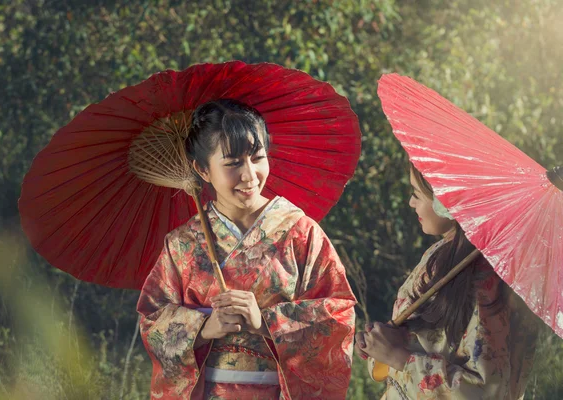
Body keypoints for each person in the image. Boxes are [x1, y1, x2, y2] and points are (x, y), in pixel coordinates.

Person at [137, 99, 356, 400]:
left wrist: (266, 322)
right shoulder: (182, 244)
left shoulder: (301, 233)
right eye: (232, 163)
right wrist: (203, 327)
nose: (250, 175)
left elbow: (338, 314)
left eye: (257, 157)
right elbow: (152, 319)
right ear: (201, 169)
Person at [355, 164, 538, 399]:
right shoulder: (439, 253)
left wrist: (398, 357)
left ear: (446, 198)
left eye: (417, 194)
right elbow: (424, 340)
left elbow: (485, 389)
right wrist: (381, 342)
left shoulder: (487, 280)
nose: (411, 203)